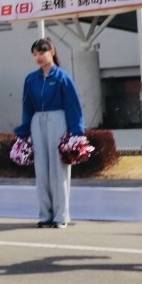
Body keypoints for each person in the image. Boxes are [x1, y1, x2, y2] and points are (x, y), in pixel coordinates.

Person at [14, 37, 85, 229]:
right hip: (38, 121)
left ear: (52, 52)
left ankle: (61, 216)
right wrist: (24, 130)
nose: (38, 57)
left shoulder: (62, 77)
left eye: (41, 53)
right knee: (41, 170)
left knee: (58, 169)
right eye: (35, 54)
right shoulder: (30, 79)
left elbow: (74, 106)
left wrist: (76, 133)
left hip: (58, 120)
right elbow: (27, 106)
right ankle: (45, 215)